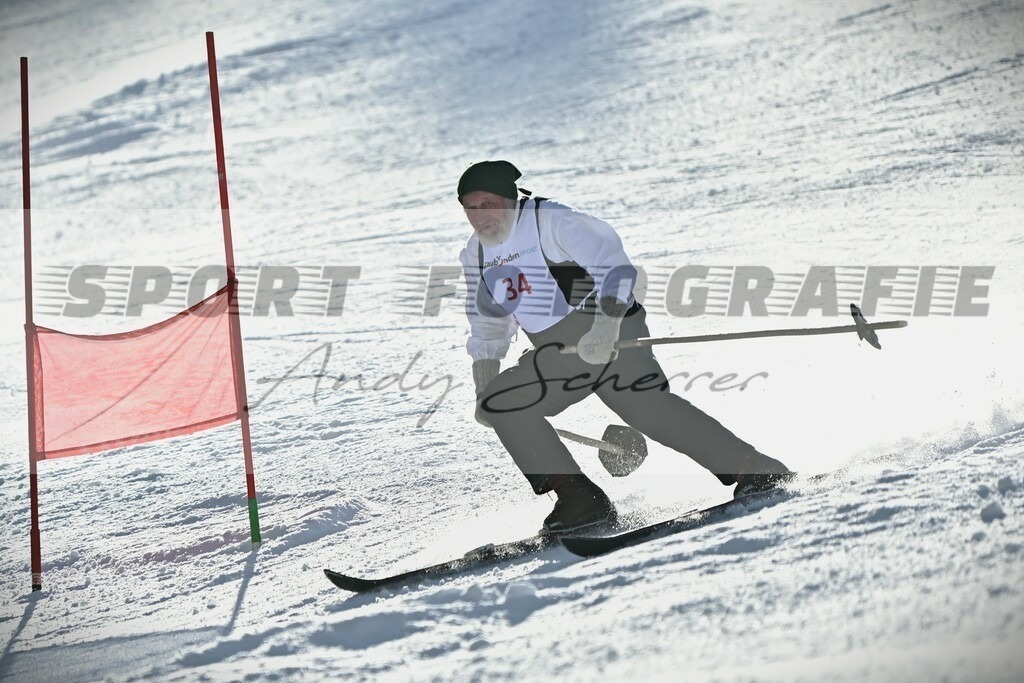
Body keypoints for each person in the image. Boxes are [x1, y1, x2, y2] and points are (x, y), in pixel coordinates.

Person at [457, 160, 791, 532]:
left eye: (488, 204)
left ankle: (753, 469)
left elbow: (613, 267)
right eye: (471, 208)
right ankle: (579, 500)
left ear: (510, 199)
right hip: (557, 352)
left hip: (613, 330)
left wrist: (604, 328)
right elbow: (488, 321)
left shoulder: (551, 222)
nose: (480, 215)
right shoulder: (477, 254)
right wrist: (484, 383)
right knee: (503, 402)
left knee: (644, 408)